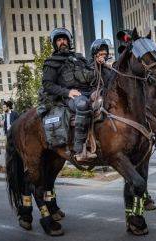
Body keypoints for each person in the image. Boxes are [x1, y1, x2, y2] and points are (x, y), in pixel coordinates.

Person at [38, 28, 96, 160]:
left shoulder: (79, 58)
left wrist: (98, 64)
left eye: (64, 39)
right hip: (68, 97)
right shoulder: (51, 62)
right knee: (82, 104)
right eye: (59, 40)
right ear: (55, 43)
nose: (62, 42)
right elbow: (47, 84)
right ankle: (79, 148)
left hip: (88, 91)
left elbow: (91, 74)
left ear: (69, 41)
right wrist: (67, 92)